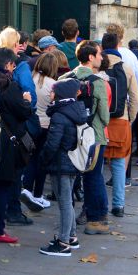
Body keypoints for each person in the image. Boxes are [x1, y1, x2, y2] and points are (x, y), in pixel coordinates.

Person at [0, 49, 33, 244]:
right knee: (3, 185)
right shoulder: (10, 86)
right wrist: (27, 102)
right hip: (7, 142)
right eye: (13, 65)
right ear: (8, 65)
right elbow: (23, 113)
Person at [62, 42, 110, 234]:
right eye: (99, 54)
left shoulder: (65, 78)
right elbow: (105, 117)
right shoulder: (98, 83)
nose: (101, 57)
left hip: (70, 135)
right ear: (90, 57)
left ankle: (68, 219)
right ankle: (96, 220)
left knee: (69, 178)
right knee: (93, 176)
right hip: (94, 137)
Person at [36, 79, 86, 256]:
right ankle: (71, 236)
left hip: (60, 163)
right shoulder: (76, 110)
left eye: (53, 91)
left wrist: (43, 160)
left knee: (64, 202)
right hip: (73, 161)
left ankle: (63, 242)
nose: (50, 94)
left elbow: (52, 143)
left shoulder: (59, 115)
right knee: (68, 200)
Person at [101, 31, 138, 216]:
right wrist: (129, 119)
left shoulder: (97, 67)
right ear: (118, 46)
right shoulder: (126, 68)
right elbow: (136, 98)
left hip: (99, 122)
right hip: (120, 121)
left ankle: (96, 203)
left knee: (95, 165)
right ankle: (118, 205)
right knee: (118, 164)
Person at [21, 51, 67, 212]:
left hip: (31, 124)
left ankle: (26, 188)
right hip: (46, 127)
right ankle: (38, 195)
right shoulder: (54, 85)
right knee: (42, 161)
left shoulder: (30, 80)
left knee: (30, 159)